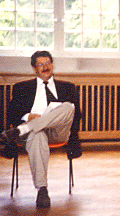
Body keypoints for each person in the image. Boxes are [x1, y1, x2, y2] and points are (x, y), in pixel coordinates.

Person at [0, 51, 82, 208]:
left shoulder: (67, 87)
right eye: (41, 64)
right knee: (37, 134)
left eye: (48, 63)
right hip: (32, 133)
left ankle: (23, 130)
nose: (45, 67)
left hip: (57, 131)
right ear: (34, 68)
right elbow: (11, 114)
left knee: (68, 107)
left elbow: (75, 114)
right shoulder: (22, 87)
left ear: (52, 65)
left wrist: (51, 117)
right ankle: (42, 190)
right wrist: (28, 116)